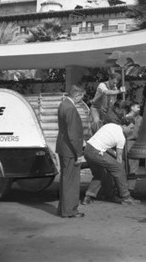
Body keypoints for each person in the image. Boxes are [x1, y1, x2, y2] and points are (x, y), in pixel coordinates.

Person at [83, 119, 140, 205]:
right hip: (97, 152)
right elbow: (119, 159)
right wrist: (120, 173)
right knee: (119, 169)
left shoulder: (110, 125)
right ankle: (126, 197)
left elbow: (103, 142)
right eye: (131, 128)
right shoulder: (121, 138)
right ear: (124, 126)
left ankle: (88, 197)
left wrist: (113, 153)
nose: (132, 131)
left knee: (100, 174)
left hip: (87, 149)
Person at [56, 85, 86, 218]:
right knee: (71, 182)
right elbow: (73, 133)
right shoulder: (71, 108)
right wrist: (79, 153)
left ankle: (63, 209)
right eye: (82, 97)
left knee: (65, 179)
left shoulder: (63, 104)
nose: (82, 100)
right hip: (70, 150)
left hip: (63, 147)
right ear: (77, 95)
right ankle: (70, 210)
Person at [125, 102, 142, 191]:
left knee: (134, 166)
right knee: (124, 165)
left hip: (135, 143)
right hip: (126, 142)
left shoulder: (141, 119)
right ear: (132, 107)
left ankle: (130, 187)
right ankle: (122, 186)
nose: (139, 109)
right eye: (137, 107)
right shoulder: (126, 118)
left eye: (139, 108)